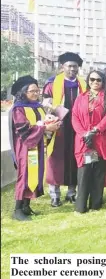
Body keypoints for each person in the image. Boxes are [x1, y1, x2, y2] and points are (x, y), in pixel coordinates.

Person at [9, 76, 61, 221]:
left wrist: (53, 124)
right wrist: (45, 127)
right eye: (32, 91)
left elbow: (43, 123)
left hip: (37, 146)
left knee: (34, 175)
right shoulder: (18, 109)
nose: (36, 94)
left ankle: (26, 206)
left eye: (37, 91)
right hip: (25, 148)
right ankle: (17, 210)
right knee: (24, 176)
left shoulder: (37, 106)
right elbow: (24, 130)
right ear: (23, 92)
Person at [42, 52, 86, 207]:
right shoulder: (52, 83)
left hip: (76, 127)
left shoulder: (83, 84)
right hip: (59, 127)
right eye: (69, 66)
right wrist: (54, 112)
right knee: (56, 159)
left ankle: (72, 193)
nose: (73, 69)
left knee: (75, 158)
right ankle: (55, 195)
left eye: (75, 66)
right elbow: (45, 103)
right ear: (62, 67)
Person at [71, 70, 106, 213]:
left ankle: (96, 203)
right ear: (88, 80)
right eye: (92, 79)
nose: (95, 82)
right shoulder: (81, 97)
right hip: (84, 141)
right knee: (83, 173)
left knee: (98, 172)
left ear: (103, 81)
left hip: (100, 139)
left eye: (98, 80)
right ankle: (81, 206)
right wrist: (84, 133)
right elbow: (74, 116)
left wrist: (96, 129)